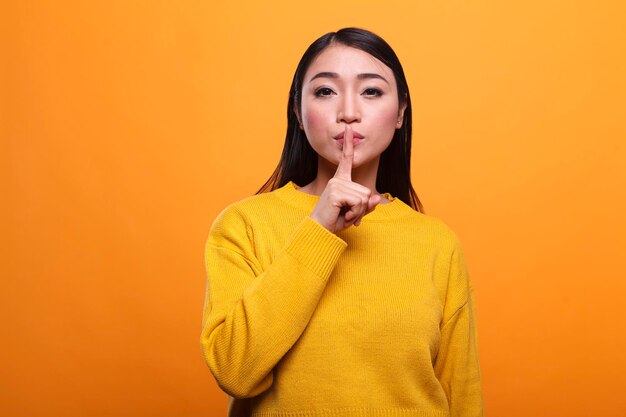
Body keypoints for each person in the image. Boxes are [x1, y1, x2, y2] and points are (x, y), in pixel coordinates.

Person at [200, 27, 484, 417]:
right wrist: (318, 230)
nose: (348, 111)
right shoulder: (244, 225)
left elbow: (461, 396)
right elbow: (235, 371)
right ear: (297, 113)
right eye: (325, 91)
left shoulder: (436, 242)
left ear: (400, 112)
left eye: (371, 91)